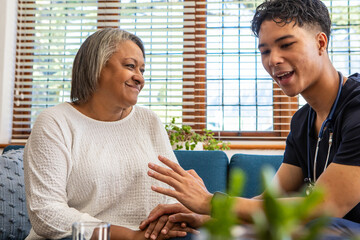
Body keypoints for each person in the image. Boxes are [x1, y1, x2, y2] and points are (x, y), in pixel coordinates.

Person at [139, 0, 360, 238]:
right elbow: (268, 201)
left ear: (320, 42)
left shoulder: (356, 110)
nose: (273, 60)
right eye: (265, 51)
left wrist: (211, 202)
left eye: (286, 44)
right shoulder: (301, 121)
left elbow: (327, 205)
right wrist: (205, 217)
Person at [23, 28, 195, 240]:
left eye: (142, 70)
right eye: (130, 66)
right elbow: (46, 214)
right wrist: (130, 237)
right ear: (96, 67)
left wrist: (169, 222)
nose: (139, 78)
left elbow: (169, 196)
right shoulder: (55, 122)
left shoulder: (149, 121)